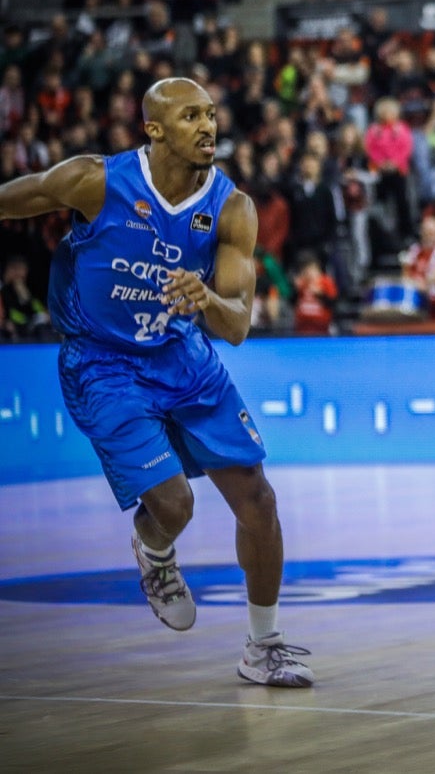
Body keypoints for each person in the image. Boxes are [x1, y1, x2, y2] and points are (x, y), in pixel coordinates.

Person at [0, 78, 312, 687]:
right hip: (102, 360)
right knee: (174, 504)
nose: (208, 126)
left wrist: (207, 298)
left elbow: (239, 325)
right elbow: (16, 198)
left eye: (213, 114)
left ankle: (263, 646)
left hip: (182, 356)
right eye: (191, 115)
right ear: (155, 129)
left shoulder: (231, 208)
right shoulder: (95, 180)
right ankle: (155, 549)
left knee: (259, 499)